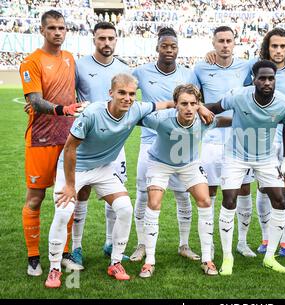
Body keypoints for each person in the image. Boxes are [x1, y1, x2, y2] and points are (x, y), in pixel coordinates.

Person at [44, 73, 207, 288]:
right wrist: (71, 185)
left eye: (131, 94)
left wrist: (201, 107)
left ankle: (116, 262)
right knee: (64, 210)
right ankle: (54, 268)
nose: (127, 98)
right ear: (110, 93)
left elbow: (166, 103)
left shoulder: (136, 109)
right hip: (76, 167)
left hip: (103, 169)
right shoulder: (92, 113)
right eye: (122, 93)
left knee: (125, 209)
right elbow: (70, 148)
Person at [206, 60, 285, 275]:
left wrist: (284, 160)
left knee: (281, 200)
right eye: (262, 78)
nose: (266, 82)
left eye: (271, 78)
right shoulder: (238, 95)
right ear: (253, 79)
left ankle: (270, 257)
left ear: (275, 80)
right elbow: (215, 108)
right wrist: (192, 107)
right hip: (235, 156)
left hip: (265, 158)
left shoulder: (284, 103)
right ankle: (227, 257)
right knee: (229, 200)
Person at [19, 10, 85, 276]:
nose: (58, 32)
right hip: (41, 140)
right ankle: (33, 257)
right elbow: (34, 101)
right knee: (35, 198)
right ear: (42, 30)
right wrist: (63, 110)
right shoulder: (31, 62)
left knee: (68, 196)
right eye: (53, 28)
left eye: (62, 28)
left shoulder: (69, 59)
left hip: (68, 140)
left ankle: (65, 252)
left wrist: (72, 112)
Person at [138, 84, 227, 278]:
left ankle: (207, 259)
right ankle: (149, 261)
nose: (188, 108)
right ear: (176, 105)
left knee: (205, 200)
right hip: (159, 162)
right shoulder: (162, 119)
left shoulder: (204, 120)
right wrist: (165, 106)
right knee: (153, 202)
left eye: (193, 104)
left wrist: (251, 120)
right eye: (183, 103)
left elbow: (224, 121)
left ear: (198, 105)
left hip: (189, 164)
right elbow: (137, 116)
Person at [130, 27, 201, 263]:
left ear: (178, 49)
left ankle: (184, 244)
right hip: (150, 143)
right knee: (143, 195)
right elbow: (127, 95)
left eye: (173, 46)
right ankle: (141, 244)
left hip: (180, 142)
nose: (169, 50)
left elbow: (197, 101)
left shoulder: (188, 74)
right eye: (164, 46)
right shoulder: (140, 72)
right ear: (157, 47)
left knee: (183, 196)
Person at [71, 21, 131, 266]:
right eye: (102, 38)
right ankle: (76, 247)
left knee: (115, 195)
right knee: (81, 194)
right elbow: (67, 95)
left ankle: (109, 243)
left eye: (111, 38)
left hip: (115, 144)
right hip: (87, 144)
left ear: (116, 40)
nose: (107, 43)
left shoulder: (124, 69)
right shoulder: (80, 66)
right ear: (94, 39)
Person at [195, 26, 255, 258]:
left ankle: (242, 241)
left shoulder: (246, 66)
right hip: (210, 140)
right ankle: (208, 243)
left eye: (229, 40)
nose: (225, 45)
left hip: (240, 139)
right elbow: (191, 96)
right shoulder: (201, 67)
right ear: (213, 43)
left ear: (235, 43)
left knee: (243, 188)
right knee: (208, 189)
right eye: (220, 41)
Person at [249, 28, 285, 257]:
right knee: (264, 186)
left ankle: (284, 240)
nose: (278, 50)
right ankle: (266, 237)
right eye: (274, 46)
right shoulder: (255, 68)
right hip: (262, 135)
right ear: (267, 47)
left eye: (283, 46)